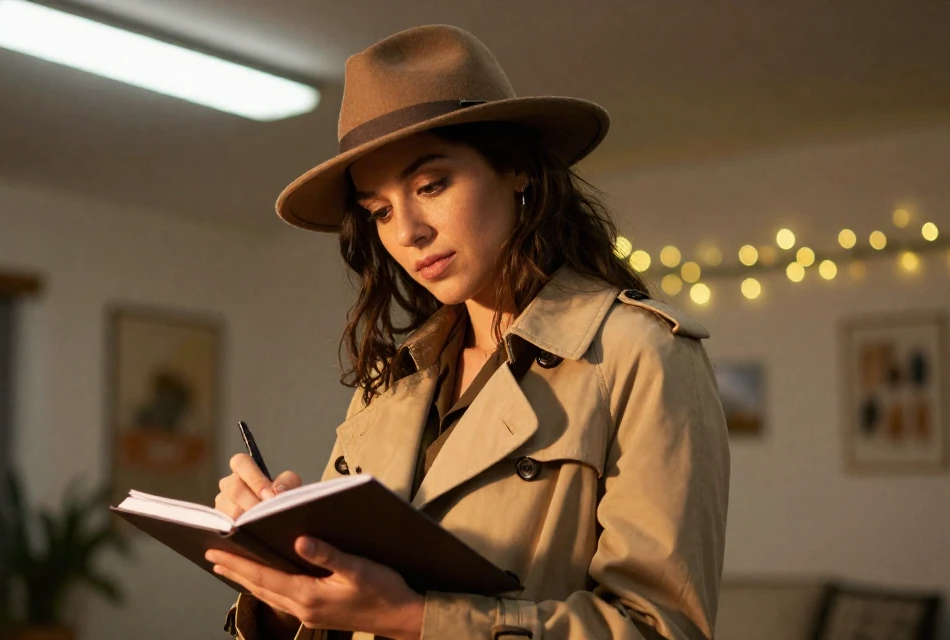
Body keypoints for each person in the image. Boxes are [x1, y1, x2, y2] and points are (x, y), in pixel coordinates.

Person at [206, 24, 729, 640]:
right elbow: (345, 606)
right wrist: (283, 581)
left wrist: (409, 618)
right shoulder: (390, 384)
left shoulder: (640, 354)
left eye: (431, 186)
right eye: (379, 211)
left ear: (516, 169)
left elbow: (662, 628)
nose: (408, 232)